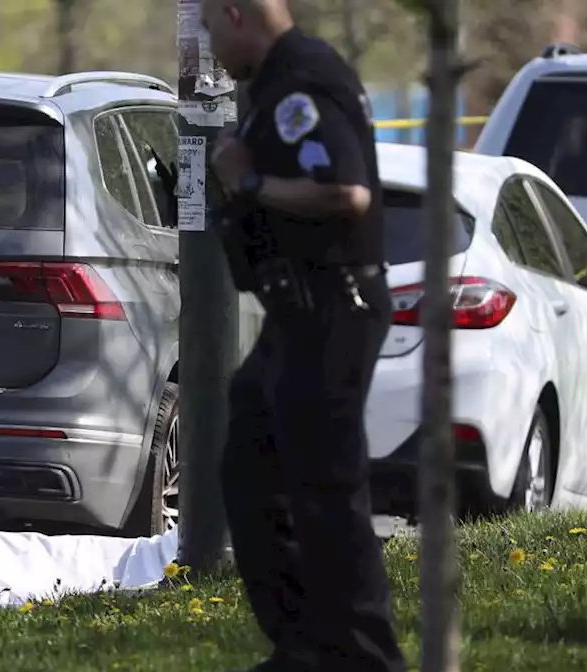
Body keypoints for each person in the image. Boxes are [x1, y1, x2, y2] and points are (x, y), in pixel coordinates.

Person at [199, 1, 406, 671]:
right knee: (254, 469)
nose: (207, 39)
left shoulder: (304, 81)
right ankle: (307, 644)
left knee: (324, 485)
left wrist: (249, 181)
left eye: (209, 23)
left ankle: (362, 653)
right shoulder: (274, 82)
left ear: (236, 12)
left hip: (332, 304)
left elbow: (347, 193)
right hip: (298, 310)